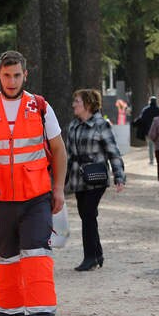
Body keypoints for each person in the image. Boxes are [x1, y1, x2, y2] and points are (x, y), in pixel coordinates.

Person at [0, 51, 67, 316]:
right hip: (0, 201)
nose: (11, 81)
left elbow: (58, 150)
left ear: (25, 75)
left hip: (36, 197)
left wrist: (58, 188)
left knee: (38, 257)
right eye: (6, 75)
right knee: (4, 260)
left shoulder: (40, 107)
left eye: (17, 75)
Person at [65, 89, 125, 271]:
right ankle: (97, 253)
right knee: (86, 215)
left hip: (95, 177)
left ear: (88, 104)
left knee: (88, 214)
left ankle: (90, 257)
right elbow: (67, 155)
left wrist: (119, 175)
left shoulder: (101, 124)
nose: (74, 104)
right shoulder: (73, 125)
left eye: (77, 101)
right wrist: (60, 180)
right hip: (78, 178)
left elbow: (113, 151)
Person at [133, 96, 159, 165]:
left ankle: (151, 160)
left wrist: (135, 123)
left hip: (148, 130)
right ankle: (158, 159)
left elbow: (141, 119)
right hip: (157, 131)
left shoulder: (145, 110)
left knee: (150, 146)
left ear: (149, 101)